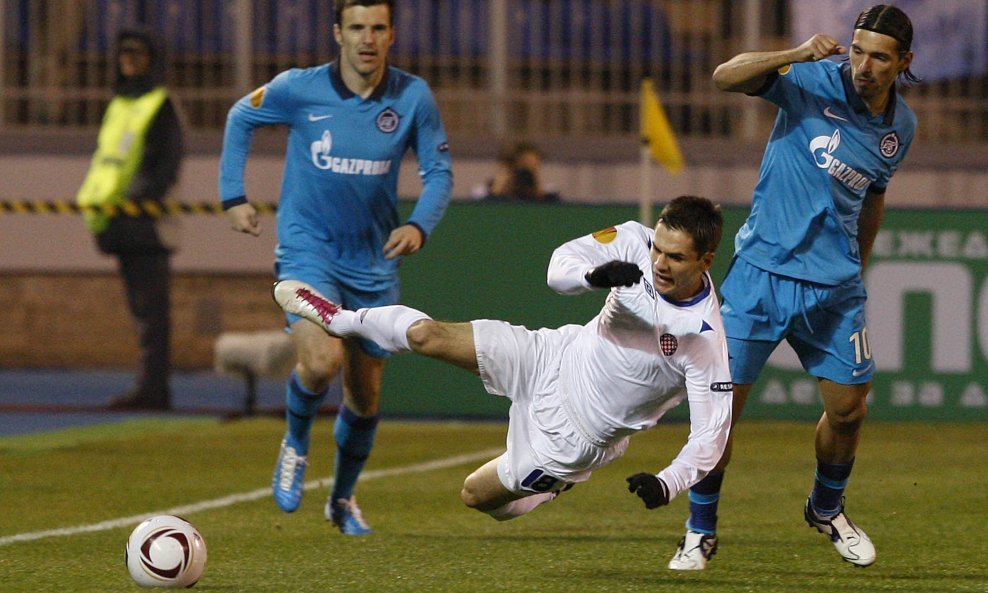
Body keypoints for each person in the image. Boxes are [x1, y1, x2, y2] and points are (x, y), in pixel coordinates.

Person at [273, 196, 733, 531]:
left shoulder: (705, 339)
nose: (659, 263)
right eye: (659, 249)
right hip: (549, 356)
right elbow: (559, 265)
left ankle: (549, 487)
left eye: (675, 258)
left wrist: (668, 484)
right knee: (426, 335)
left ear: (706, 260)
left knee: (476, 495)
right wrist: (590, 277)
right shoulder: (634, 239)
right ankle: (340, 318)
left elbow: (711, 436)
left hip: (575, 437)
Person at [668, 4, 918, 570]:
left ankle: (826, 508)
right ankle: (699, 530)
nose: (864, 65)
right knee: (721, 413)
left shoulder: (901, 126)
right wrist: (796, 53)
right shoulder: (808, 80)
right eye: (857, 50)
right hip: (761, 277)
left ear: (904, 62)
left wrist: (860, 261)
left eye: (879, 56)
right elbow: (723, 77)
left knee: (850, 408)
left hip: (833, 289)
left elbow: (874, 195)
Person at [218, 0, 453, 535]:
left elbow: (439, 171)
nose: (366, 38)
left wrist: (418, 225)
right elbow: (240, 116)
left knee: (364, 398)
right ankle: (296, 443)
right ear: (337, 34)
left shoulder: (412, 96)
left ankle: (342, 500)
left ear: (391, 34)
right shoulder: (300, 88)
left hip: (371, 265)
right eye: (356, 28)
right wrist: (233, 196)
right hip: (308, 252)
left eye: (377, 28)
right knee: (320, 361)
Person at [76, 28, 184, 411]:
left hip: (146, 222)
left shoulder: (159, 103)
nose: (129, 60)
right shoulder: (120, 102)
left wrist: (138, 200)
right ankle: (149, 387)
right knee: (142, 312)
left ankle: (154, 390)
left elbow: (166, 164)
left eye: (137, 54)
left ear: (152, 59)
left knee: (152, 313)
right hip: (119, 219)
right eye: (123, 54)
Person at [483, 141, 560, 203]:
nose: (524, 177)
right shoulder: (490, 197)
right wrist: (498, 191)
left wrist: (539, 195)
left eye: (532, 168)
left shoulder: (550, 198)